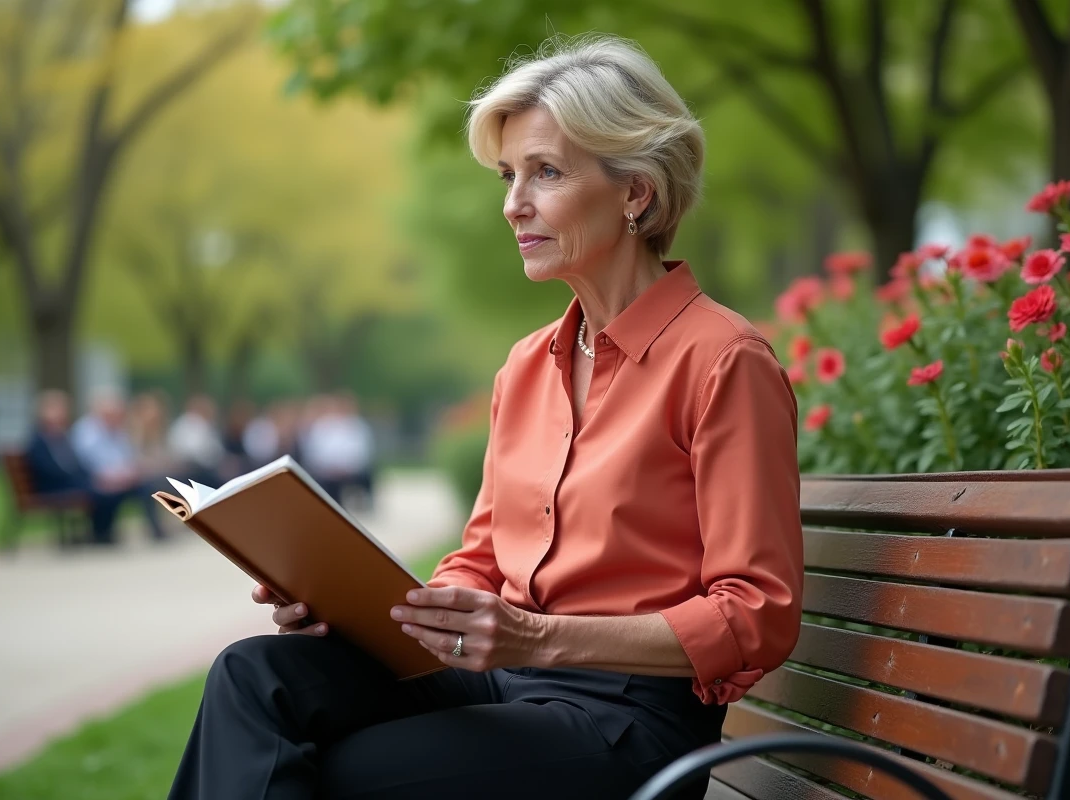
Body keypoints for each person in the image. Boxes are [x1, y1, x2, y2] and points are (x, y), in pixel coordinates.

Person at [170, 34, 803, 800]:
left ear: (635, 192)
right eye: (508, 175)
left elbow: (756, 616)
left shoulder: (724, 359)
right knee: (255, 675)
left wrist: (536, 637)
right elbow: (477, 564)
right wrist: (357, 608)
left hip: (629, 725)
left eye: (546, 172)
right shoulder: (527, 366)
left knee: (342, 773)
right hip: (505, 683)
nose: (513, 204)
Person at [24, 390, 162, 545]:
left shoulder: (61, 436)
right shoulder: (40, 440)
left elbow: (76, 464)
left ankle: (110, 532)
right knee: (102, 491)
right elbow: (50, 469)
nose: (61, 414)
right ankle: (101, 532)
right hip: (54, 486)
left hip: (78, 481)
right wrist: (93, 478)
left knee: (139, 486)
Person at [69, 388, 167, 543]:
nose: (118, 418)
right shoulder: (86, 431)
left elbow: (126, 457)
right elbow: (88, 463)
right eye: (113, 415)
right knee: (107, 491)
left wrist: (128, 473)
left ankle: (156, 530)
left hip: (118, 479)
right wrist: (114, 476)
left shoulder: (117, 431)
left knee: (147, 486)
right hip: (94, 479)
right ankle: (102, 532)